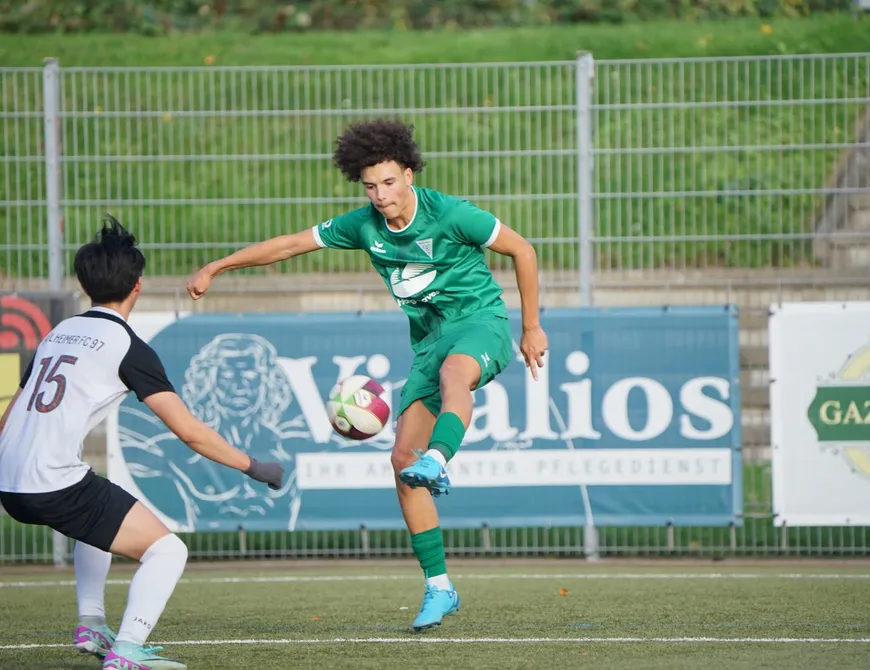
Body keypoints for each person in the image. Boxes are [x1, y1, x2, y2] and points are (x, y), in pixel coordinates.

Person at [186, 119, 548, 632]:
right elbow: (291, 245)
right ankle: (440, 587)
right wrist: (216, 267)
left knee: (453, 379)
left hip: (479, 325)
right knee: (402, 461)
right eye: (370, 186)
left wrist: (531, 326)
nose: (380, 196)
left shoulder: (450, 214)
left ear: (409, 173)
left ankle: (440, 459)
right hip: (427, 342)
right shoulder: (364, 226)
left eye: (389, 182)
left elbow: (523, 250)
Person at [0, 217, 285, 669]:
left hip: (10, 482)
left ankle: (92, 624)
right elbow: (188, 430)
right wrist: (253, 466)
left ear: (83, 283)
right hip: (51, 483)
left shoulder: (57, 334)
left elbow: (9, 417)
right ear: (138, 285)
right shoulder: (127, 345)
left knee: (99, 515)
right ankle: (128, 652)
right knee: (168, 550)